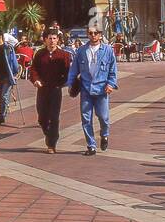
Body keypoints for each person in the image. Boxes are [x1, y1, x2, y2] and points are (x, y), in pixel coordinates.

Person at [67, 24, 118, 155]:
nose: (93, 35)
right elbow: (74, 69)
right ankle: (91, 145)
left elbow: (113, 71)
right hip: (86, 88)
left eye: (96, 33)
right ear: (87, 34)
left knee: (103, 117)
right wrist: (70, 83)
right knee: (86, 118)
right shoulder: (81, 51)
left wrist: (111, 84)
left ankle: (104, 134)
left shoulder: (107, 50)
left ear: (100, 34)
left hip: (102, 89)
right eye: (90, 33)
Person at [29, 27, 71, 153]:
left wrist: (63, 83)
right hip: (42, 89)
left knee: (54, 116)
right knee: (42, 117)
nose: (52, 41)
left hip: (55, 90)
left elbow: (68, 71)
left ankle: (52, 143)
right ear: (45, 40)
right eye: (49, 39)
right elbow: (33, 69)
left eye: (54, 38)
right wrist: (35, 79)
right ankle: (48, 134)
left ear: (58, 40)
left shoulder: (64, 55)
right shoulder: (40, 54)